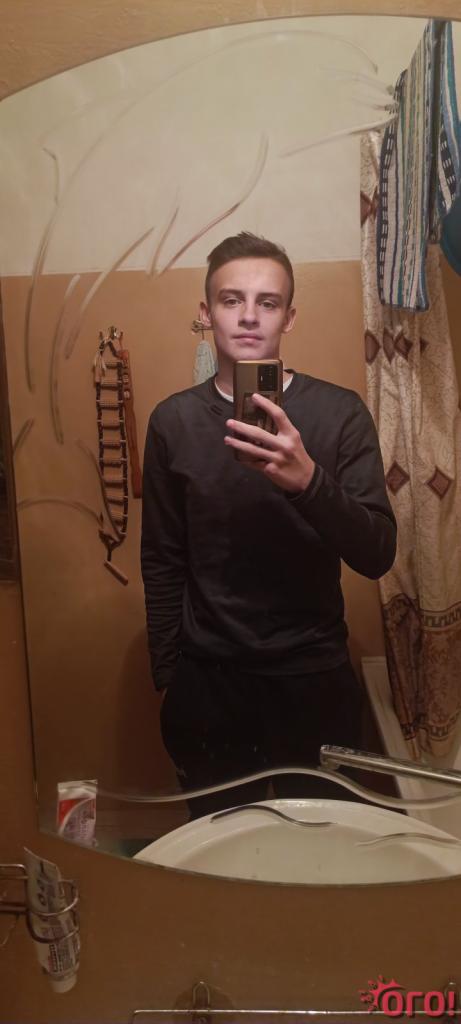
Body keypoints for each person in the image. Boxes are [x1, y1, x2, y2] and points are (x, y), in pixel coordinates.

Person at [141, 232, 397, 817]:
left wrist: (308, 480)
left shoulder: (339, 414)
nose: (250, 316)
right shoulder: (173, 422)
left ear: (290, 316)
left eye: (268, 302)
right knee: (224, 846)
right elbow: (162, 555)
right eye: (232, 300)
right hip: (209, 683)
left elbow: (378, 553)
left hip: (314, 679)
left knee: (319, 845)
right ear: (207, 313)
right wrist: (169, 674)